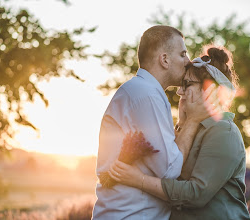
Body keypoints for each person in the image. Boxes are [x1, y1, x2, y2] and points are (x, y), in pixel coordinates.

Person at [109, 45, 250, 220]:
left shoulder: (223, 131)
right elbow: (170, 169)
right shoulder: (192, 127)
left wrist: (138, 180)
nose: (179, 91)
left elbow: (196, 194)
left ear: (209, 90)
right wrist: (183, 123)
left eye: (187, 84)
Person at [92, 26, 218, 219]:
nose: (188, 61)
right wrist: (193, 120)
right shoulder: (146, 95)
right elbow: (169, 170)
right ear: (164, 59)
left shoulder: (143, 92)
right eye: (183, 54)